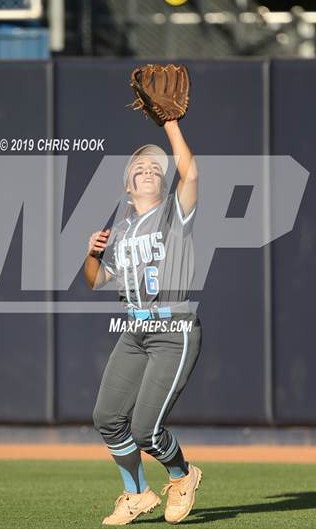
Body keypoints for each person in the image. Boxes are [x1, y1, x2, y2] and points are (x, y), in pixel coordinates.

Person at [84, 119, 202, 525]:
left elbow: (190, 172)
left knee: (146, 431)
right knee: (107, 417)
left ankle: (182, 475)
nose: (150, 170)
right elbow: (97, 281)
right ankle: (136, 494)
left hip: (173, 331)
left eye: (157, 168)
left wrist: (169, 123)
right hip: (135, 332)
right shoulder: (119, 231)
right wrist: (93, 254)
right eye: (140, 168)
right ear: (128, 187)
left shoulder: (174, 214)